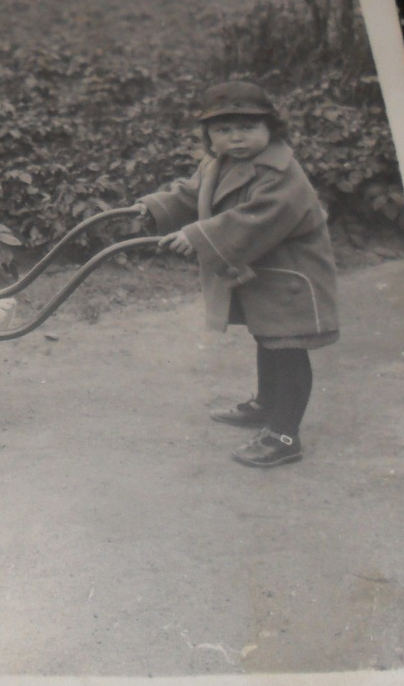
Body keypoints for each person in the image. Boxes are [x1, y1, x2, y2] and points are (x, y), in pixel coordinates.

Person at [134, 81, 340, 468]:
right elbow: (193, 193)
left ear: (271, 129)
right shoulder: (218, 164)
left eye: (247, 128)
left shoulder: (281, 173)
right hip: (265, 272)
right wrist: (155, 207)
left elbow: (256, 218)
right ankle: (265, 405)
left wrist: (197, 236)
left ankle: (284, 435)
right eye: (224, 131)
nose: (236, 139)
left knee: (288, 348)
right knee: (268, 338)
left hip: (294, 274)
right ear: (210, 136)